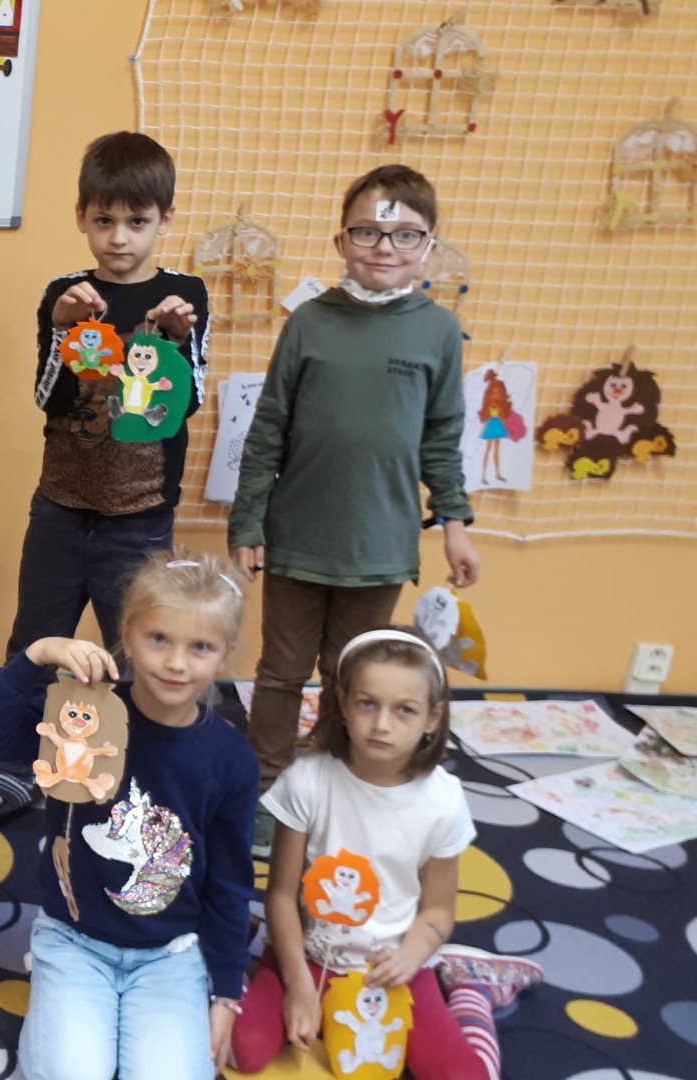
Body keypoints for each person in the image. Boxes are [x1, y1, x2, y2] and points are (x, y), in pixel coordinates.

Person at [230, 164, 480, 843]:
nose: (384, 246)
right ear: (341, 241)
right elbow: (268, 428)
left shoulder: (438, 333)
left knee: (355, 680)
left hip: (380, 549)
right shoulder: (309, 322)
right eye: (367, 231)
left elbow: (442, 439)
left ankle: (334, 792)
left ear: (429, 247)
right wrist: (248, 520)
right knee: (280, 674)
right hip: (296, 539)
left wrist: (456, 527)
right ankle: (266, 790)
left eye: (405, 235)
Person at [0, 131, 211, 825]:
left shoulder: (184, 294)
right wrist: (61, 327)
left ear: (165, 220)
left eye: (138, 222)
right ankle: (16, 765)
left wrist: (174, 343)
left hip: (141, 518)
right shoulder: (66, 293)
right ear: (81, 216)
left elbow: (188, 402)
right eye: (104, 220)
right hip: (60, 509)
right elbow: (47, 397)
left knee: (138, 652)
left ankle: (138, 772)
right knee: (35, 640)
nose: (120, 238)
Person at [0, 551, 258, 1079]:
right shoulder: (82, 715)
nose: (176, 663)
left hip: (170, 953)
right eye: (159, 638)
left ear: (224, 654)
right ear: (126, 635)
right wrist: (36, 655)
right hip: (73, 942)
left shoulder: (230, 757)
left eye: (200, 647)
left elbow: (230, 883)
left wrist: (226, 992)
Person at [232, 628, 543, 1078]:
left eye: (405, 710)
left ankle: (471, 989)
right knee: (243, 1049)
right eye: (367, 704)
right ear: (342, 703)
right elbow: (280, 894)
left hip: (395, 969)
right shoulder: (308, 782)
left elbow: (438, 912)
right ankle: (232, 957)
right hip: (306, 958)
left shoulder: (442, 801)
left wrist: (412, 956)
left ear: (432, 718)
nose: (381, 724)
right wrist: (297, 983)